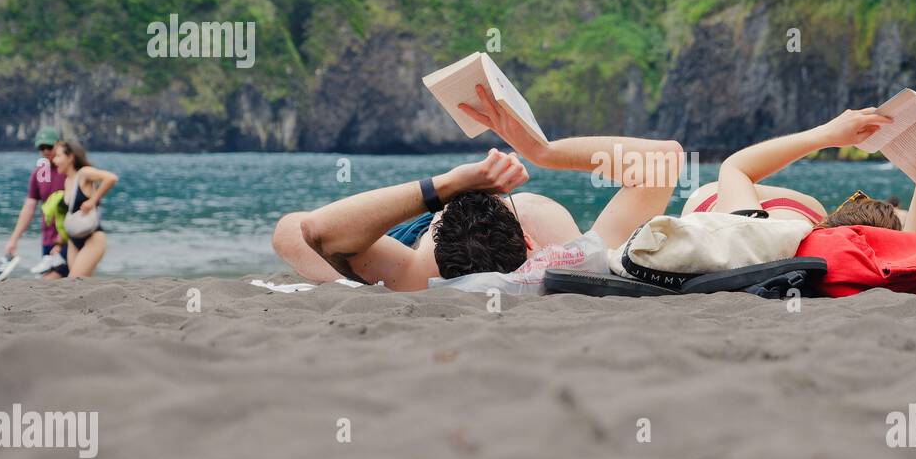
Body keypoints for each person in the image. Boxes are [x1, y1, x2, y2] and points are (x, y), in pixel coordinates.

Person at [272, 84, 684, 293]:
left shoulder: (415, 273)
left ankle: (365, 263)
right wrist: (541, 151)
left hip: (420, 238)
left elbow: (305, 230)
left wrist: (449, 185)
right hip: (449, 237)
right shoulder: (574, 257)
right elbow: (663, 161)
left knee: (295, 232)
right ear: (528, 240)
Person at [693, 107, 916, 233]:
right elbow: (913, 250)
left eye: (897, 216)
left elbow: (734, 167)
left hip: (715, 207)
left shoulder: (785, 227)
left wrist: (827, 135)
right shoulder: (815, 233)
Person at [0, 127, 68, 281]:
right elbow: (29, 208)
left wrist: (63, 241)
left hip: (68, 237)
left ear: (59, 145)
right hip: (48, 238)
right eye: (41, 148)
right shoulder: (38, 173)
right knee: (53, 281)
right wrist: (13, 240)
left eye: (49, 147)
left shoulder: (69, 170)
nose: (45, 151)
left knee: (57, 278)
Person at [52, 140, 119, 278]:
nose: (54, 160)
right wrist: (59, 243)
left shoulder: (83, 174)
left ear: (70, 157)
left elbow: (111, 178)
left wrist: (92, 201)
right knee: (80, 286)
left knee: (74, 280)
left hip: (92, 237)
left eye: (58, 156)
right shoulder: (67, 181)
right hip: (73, 240)